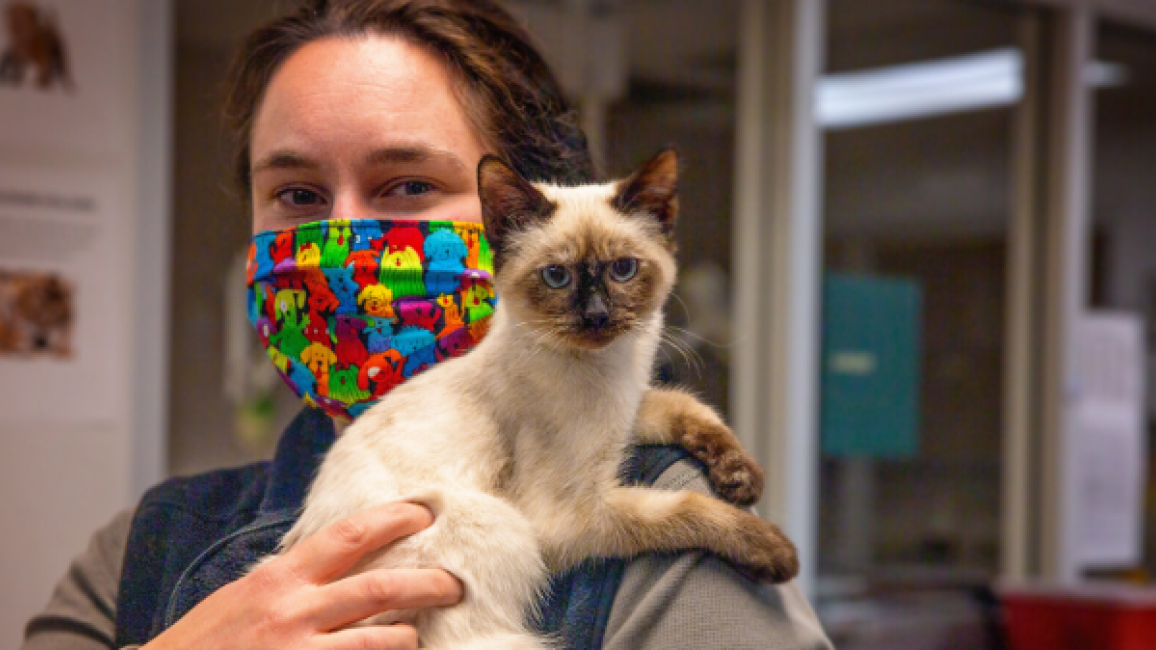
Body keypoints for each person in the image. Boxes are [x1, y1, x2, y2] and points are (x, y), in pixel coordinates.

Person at [21, 1, 833, 648]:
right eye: (298, 196)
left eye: (407, 186)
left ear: (517, 214)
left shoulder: (674, 555)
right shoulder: (143, 547)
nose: (342, 238)